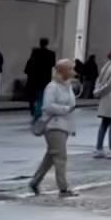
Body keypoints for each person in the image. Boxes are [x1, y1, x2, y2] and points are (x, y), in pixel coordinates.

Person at [29, 59, 79, 197]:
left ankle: (34, 182)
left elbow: (72, 105)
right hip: (54, 126)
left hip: (64, 126)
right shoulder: (52, 87)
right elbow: (47, 106)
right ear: (62, 71)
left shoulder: (67, 86)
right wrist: (66, 109)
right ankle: (63, 188)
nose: (73, 72)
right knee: (60, 157)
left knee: (51, 156)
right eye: (70, 69)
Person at [24, 37, 55, 119]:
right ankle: (38, 113)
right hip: (45, 78)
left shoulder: (34, 53)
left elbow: (28, 66)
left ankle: (33, 110)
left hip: (33, 78)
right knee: (41, 96)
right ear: (47, 44)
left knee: (32, 96)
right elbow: (53, 65)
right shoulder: (51, 54)